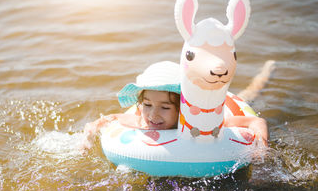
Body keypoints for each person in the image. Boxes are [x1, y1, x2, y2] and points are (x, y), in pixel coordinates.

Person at [81, 61, 269, 151]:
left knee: (252, 92)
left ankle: (267, 71)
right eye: (147, 104)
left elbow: (256, 121)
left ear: (182, 110)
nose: (153, 115)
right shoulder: (140, 120)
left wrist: (262, 148)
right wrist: (90, 131)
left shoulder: (204, 124)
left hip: (229, 102)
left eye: (165, 107)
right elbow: (111, 118)